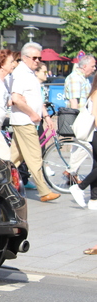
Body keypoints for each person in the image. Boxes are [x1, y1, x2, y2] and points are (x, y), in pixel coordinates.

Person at [9, 42, 60, 202]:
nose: (38, 61)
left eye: (39, 58)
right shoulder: (21, 73)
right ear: (25, 58)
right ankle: (44, 191)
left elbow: (36, 99)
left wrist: (45, 116)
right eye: (34, 58)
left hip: (27, 120)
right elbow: (16, 98)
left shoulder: (29, 73)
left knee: (13, 159)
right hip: (25, 121)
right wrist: (33, 114)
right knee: (35, 156)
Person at [69, 76, 97, 214]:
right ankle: (79, 187)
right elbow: (96, 117)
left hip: (95, 136)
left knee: (96, 167)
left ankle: (93, 200)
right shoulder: (96, 93)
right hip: (96, 134)